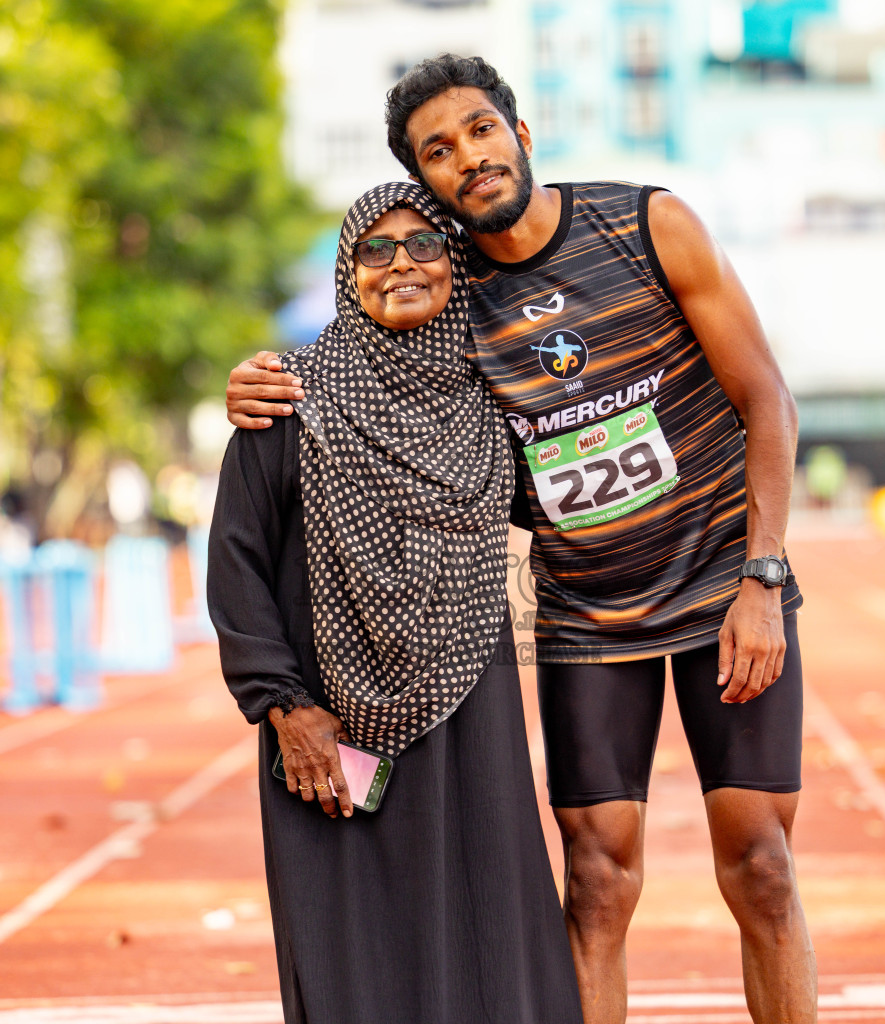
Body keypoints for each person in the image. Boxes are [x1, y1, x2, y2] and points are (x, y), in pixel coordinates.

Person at [227, 55, 814, 1024]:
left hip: (724, 586)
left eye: (481, 130)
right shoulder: (450, 296)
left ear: (521, 134)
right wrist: (259, 383)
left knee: (761, 864)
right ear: (427, 182)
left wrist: (765, 573)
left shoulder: (648, 225)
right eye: (439, 151)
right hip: (587, 616)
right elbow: (376, 369)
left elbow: (768, 401)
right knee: (597, 878)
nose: (469, 157)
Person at [209, 181, 583, 1024]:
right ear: (350, 271)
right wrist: (284, 707)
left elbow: (573, 497)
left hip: (470, 713)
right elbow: (236, 561)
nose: (401, 264)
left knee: (487, 935)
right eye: (375, 249)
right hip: (326, 720)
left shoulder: (497, 396)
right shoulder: (290, 398)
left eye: (424, 243)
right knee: (350, 950)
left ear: (456, 261)